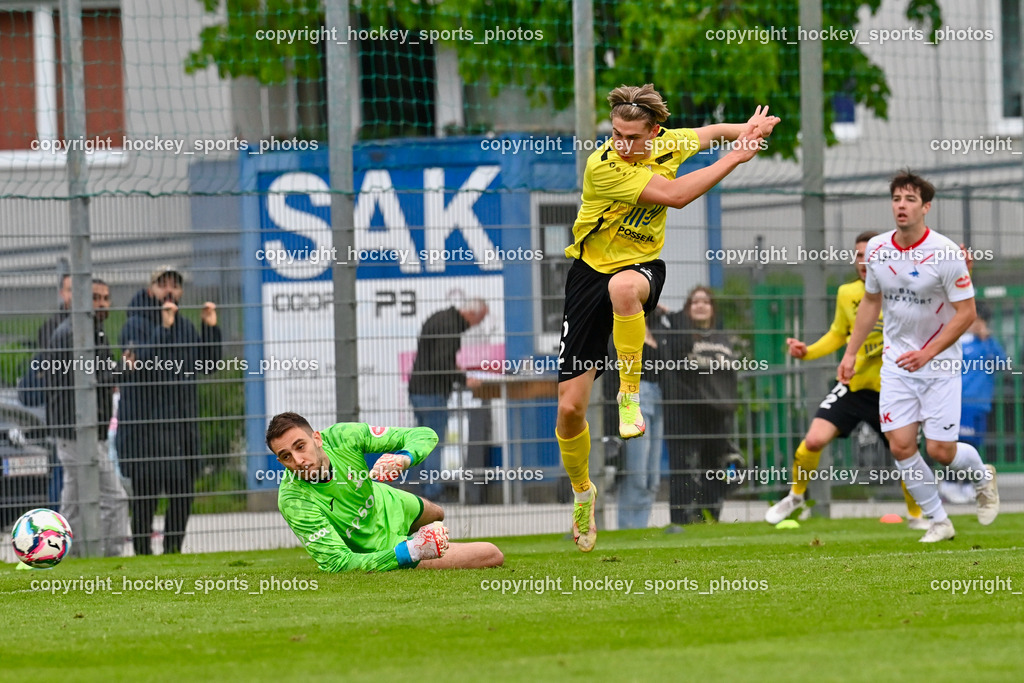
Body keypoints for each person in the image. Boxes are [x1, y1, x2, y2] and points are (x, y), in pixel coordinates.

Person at [555, 83, 779, 552]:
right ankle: (582, 493)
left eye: (631, 137)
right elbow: (675, 196)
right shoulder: (605, 167)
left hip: (638, 269)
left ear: (653, 133)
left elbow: (709, 132)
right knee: (570, 409)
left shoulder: (665, 143)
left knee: (623, 288)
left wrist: (746, 129)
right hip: (586, 275)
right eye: (615, 133)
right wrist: (736, 156)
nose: (620, 143)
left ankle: (629, 394)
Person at [839, 170, 998, 543]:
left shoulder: (945, 253)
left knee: (940, 450)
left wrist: (928, 352)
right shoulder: (877, 248)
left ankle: (981, 476)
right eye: (896, 199)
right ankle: (939, 520)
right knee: (901, 444)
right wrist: (850, 353)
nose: (901, 206)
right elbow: (871, 302)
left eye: (910, 200)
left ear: (926, 207)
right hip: (897, 364)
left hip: (939, 363)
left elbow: (966, 313)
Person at [766, 232, 926, 529]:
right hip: (854, 387)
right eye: (859, 255)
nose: (864, 261)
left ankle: (917, 516)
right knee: (813, 440)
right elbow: (839, 334)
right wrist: (807, 351)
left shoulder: (905, 290)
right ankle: (796, 496)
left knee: (905, 453)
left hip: (893, 391)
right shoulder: (847, 294)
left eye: (871, 254)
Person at [265, 412, 504, 571]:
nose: (298, 460)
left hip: (388, 501)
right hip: (380, 544)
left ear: (317, 438)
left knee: (438, 513)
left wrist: (404, 458)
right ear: (280, 461)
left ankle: (428, 541)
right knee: (491, 554)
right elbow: (338, 563)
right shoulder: (293, 500)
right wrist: (408, 552)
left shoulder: (343, 436)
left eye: (300, 446)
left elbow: (424, 435)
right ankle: (417, 544)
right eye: (286, 456)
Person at [118, 266, 223, 555]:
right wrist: (163, 329)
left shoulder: (185, 326)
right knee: (146, 496)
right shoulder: (134, 325)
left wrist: (210, 329)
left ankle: (173, 551)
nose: (169, 290)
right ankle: (142, 553)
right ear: (151, 289)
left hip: (181, 428)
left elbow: (208, 364)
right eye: (163, 284)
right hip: (146, 429)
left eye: (175, 285)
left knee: (182, 493)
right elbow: (141, 367)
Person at [43, 278, 129, 556]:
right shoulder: (74, 333)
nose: (102, 303)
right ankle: (109, 556)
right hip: (79, 432)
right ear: (79, 299)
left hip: (83, 431)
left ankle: (66, 555)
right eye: (95, 297)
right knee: (115, 498)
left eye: (106, 297)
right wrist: (123, 369)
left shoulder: (92, 330)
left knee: (73, 501)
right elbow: (91, 379)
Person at [659, 286, 741, 526]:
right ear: (687, 309)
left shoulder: (722, 339)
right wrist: (676, 319)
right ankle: (682, 522)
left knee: (716, 466)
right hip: (687, 412)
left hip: (717, 414)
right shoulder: (680, 336)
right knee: (685, 468)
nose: (700, 306)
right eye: (694, 302)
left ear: (713, 309)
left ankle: (709, 517)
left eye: (705, 302)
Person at [406, 299, 488, 499]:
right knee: (433, 443)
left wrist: (454, 368)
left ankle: (420, 493)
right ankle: (432, 493)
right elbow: (440, 362)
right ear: (472, 314)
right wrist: (463, 379)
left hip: (418, 388)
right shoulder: (451, 327)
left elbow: (435, 356)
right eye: (480, 319)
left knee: (421, 444)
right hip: (432, 392)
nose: (477, 324)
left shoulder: (440, 317)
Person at [939, 303, 1008, 503]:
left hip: (982, 403)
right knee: (962, 443)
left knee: (975, 444)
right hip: (962, 401)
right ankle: (950, 483)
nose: (977, 325)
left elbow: (1002, 363)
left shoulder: (988, 343)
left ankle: (969, 485)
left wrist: (987, 340)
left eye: (981, 321)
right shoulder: (959, 341)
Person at [611, 316, 666, 529]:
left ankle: (640, 527)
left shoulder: (659, 328)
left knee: (652, 476)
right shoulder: (622, 326)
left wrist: (663, 311)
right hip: (634, 397)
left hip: (658, 397)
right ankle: (628, 527)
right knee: (637, 472)